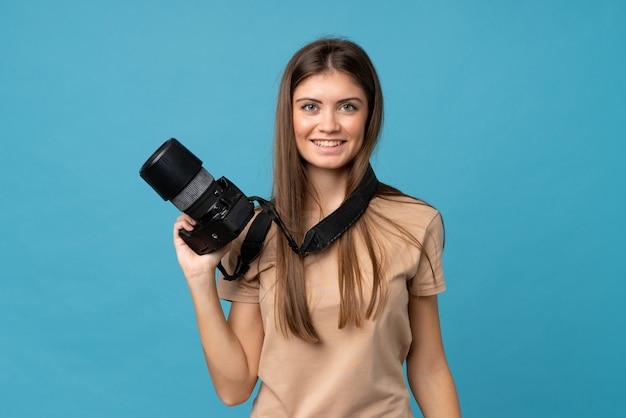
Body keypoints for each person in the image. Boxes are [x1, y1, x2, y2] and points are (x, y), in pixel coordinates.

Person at [173, 38, 461, 417]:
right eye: (310, 107)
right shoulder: (256, 231)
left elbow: (429, 366)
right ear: (288, 116)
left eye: (347, 106)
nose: (329, 124)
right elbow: (235, 387)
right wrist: (199, 281)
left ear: (369, 115)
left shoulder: (415, 222)